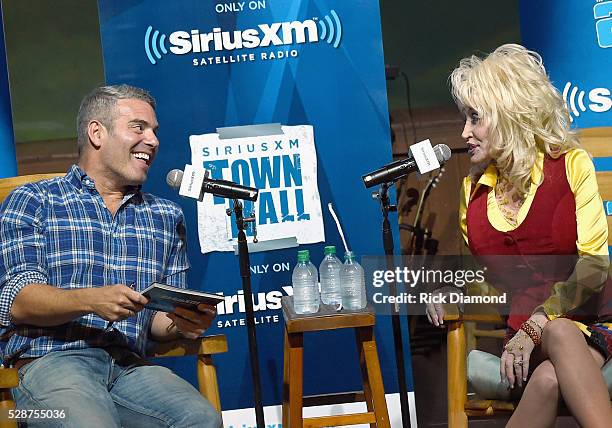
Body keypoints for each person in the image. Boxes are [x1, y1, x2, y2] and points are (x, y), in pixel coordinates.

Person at [0, 84, 222, 427]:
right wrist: (91, 300)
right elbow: (20, 300)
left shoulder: (165, 216)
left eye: (154, 131)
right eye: (139, 127)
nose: (153, 140)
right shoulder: (34, 201)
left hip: (130, 367)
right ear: (96, 133)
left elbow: (157, 322)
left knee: (200, 419)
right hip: (48, 365)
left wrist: (182, 322)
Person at [427, 44, 612, 427]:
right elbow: (490, 280)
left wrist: (537, 323)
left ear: (509, 115)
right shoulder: (473, 194)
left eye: (475, 119)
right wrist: (453, 290)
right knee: (546, 377)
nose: (465, 132)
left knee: (556, 342)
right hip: (530, 341)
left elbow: (594, 265)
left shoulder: (570, 165)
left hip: (594, 322)